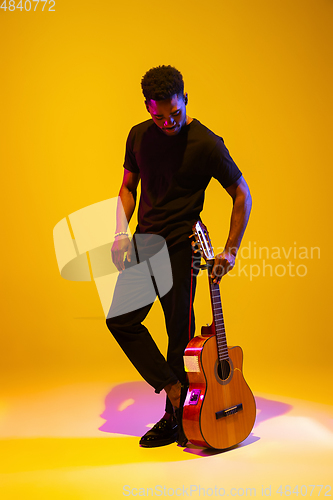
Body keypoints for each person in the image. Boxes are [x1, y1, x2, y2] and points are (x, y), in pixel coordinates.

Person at [106, 65, 252, 448]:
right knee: (121, 320)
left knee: (179, 337)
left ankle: (178, 420)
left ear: (186, 99)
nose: (169, 122)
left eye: (175, 113)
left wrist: (231, 250)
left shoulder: (205, 142)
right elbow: (127, 187)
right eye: (159, 115)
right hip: (144, 243)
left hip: (182, 247)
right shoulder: (138, 136)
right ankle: (173, 390)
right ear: (147, 107)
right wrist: (121, 232)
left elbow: (241, 192)